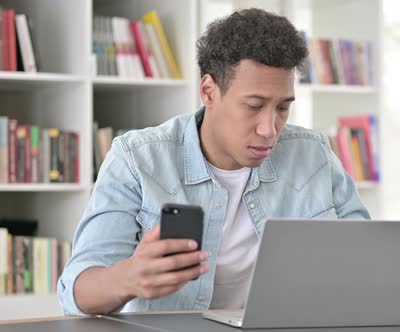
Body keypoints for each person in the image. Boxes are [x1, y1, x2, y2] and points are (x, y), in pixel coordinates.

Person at [58, 8, 369, 315]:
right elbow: (76, 292)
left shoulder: (314, 155)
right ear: (209, 91)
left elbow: (369, 259)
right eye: (254, 106)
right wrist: (127, 278)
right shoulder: (137, 159)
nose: (269, 129)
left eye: (282, 108)